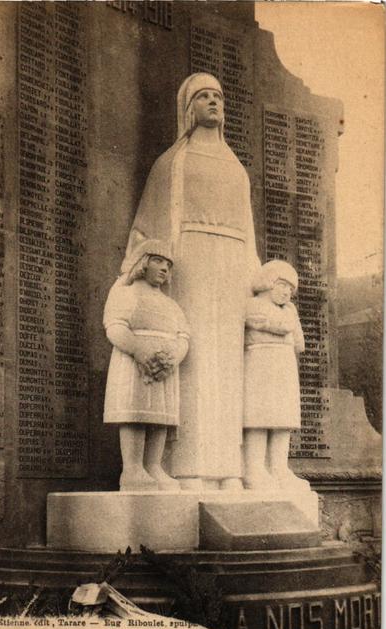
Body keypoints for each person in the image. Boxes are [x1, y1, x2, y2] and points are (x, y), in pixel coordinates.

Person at [121, 73, 260, 491]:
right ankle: (189, 469)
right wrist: (142, 266)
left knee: (229, 368)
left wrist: (253, 277)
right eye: (203, 96)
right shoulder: (171, 163)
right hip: (190, 268)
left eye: (218, 96)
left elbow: (249, 231)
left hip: (232, 269)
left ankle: (228, 470)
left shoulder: (236, 168)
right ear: (189, 108)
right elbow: (148, 226)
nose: (213, 102)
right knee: (194, 362)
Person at [103, 239, 190, 491]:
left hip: (164, 368)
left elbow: (183, 334)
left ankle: (153, 466)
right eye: (158, 261)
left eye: (168, 265)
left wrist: (174, 356)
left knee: (160, 418)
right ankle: (132, 469)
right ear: (143, 263)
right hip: (135, 363)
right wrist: (139, 350)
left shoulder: (170, 304)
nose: (164, 268)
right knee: (136, 415)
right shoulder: (125, 292)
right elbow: (115, 326)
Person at [242, 260, 306, 490]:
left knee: (283, 420)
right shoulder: (253, 304)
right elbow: (278, 325)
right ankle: (254, 469)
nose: (287, 292)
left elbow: (300, 343)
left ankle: (279, 468)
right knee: (259, 418)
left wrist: (289, 321)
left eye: (290, 288)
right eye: (282, 285)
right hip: (260, 362)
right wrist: (287, 322)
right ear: (268, 283)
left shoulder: (290, 310)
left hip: (284, 364)